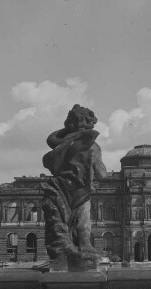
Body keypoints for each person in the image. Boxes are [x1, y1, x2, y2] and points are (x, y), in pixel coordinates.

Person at [42, 104, 107, 271]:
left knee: (60, 223)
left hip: (59, 189)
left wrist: (66, 131)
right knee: (82, 219)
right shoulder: (91, 146)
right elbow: (102, 174)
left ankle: (63, 255)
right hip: (80, 191)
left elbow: (51, 141)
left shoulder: (60, 146)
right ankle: (85, 246)